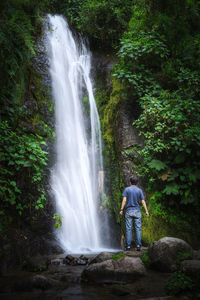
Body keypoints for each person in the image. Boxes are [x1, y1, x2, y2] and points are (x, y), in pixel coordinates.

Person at [119, 175, 149, 251]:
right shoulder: (139, 190)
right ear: (137, 182)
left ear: (130, 182)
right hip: (137, 211)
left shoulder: (127, 189)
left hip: (129, 211)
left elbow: (124, 200)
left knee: (128, 229)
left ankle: (128, 246)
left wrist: (121, 209)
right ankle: (138, 246)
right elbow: (142, 201)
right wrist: (146, 211)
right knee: (138, 229)